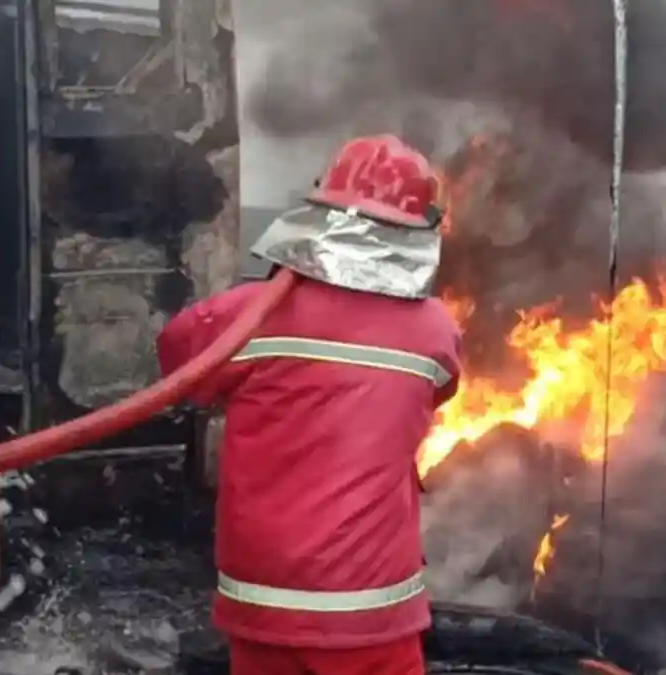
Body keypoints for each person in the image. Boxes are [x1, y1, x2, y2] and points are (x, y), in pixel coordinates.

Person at [157, 135, 462, 675]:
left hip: (263, 603)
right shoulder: (435, 331)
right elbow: (438, 390)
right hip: (369, 612)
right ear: (417, 232)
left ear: (321, 209)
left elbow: (178, 363)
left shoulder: (246, 317)